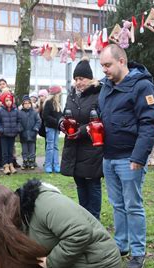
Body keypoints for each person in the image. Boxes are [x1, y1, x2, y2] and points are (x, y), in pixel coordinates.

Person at [98, 44, 154, 268]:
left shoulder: (142, 86)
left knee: (133, 205)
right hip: (109, 157)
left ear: (121, 61)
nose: (104, 70)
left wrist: (139, 156)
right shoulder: (106, 86)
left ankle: (138, 251)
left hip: (130, 158)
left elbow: (149, 124)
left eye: (107, 65)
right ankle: (120, 244)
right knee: (117, 204)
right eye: (102, 65)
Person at [59, 57, 103, 219]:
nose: (78, 82)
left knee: (92, 184)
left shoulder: (98, 94)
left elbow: (101, 119)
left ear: (90, 79)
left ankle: (94, 218)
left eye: (82, 79)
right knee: (80, 184)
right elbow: (65, 114)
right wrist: (61, 124)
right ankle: (85, 218)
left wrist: (83, 130)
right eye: (76, 79)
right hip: (73, 148)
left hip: (91, 147)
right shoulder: (71, 95)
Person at [0, 91, 20, 175]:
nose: (8, 102)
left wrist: (17, 129)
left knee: (10, 151)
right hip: (4, 135)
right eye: (6, 100)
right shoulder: (0, 111)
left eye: (10, 100)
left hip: (12, 133)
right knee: (4, 151)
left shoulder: (15, 110)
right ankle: (5, 166)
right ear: (3, 101)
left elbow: (19, 121)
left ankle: (11, 164)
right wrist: (2, 130)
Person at [42, 86, 63, 173]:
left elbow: (60, 115)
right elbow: (45, 116)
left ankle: (56, 165)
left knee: (56, 147)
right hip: (50, 127)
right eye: (59, 94)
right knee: (50, 147)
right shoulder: (48, 103)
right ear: (56, 94)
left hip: (56, 128)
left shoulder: (58, 104)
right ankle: (48, 165)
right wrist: (56, 121)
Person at [19, 95, 42, 169]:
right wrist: (20, 129)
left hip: (32, 134)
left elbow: (38, 121)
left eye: (28, 103)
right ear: (23, 105)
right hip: (23, 134)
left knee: (32, 149)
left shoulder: (34, 112)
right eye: (25, 103)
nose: (27, 105)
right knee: (24, 149)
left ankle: (32, 162)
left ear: (31, 104)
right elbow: (18, 122)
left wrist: (35, 129)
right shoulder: (20, 113)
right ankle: (25, 162)